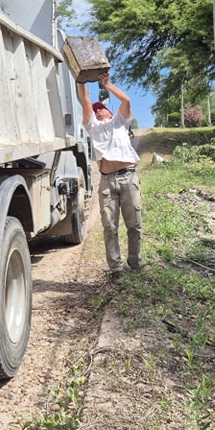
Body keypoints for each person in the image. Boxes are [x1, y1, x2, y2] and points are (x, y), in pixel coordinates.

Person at [77, 71, 141, 280]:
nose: (98, 111)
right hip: (107, 181)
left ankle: (135, 262)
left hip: (128, 177)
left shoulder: (120, 122)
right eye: (96, 111)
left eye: (101, 108)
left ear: (110, 112)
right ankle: (116, 270)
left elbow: (126, 100)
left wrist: (107, 84)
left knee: (134, 225)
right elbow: (85, 101)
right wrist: (81, 80)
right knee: (110, 227)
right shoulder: (93, 127)